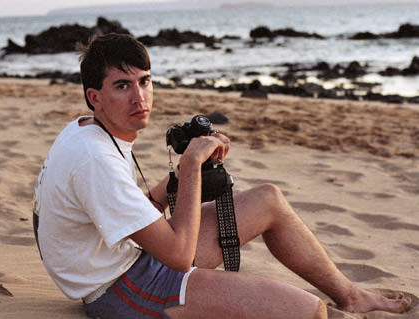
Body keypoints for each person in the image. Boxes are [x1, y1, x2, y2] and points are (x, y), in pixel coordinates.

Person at [33, 33, 411, 319]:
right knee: (307, 312)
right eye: (122, 86)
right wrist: (192, 166)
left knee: (268, 199)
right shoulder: (94, 159)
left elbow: (132, 214)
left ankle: (351, 295)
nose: (139, 98)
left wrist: (177, 180)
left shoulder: (89, 131)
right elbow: (179, 257)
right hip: (121, 288)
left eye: (145, 81)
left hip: (129, 256)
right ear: (94, 97)